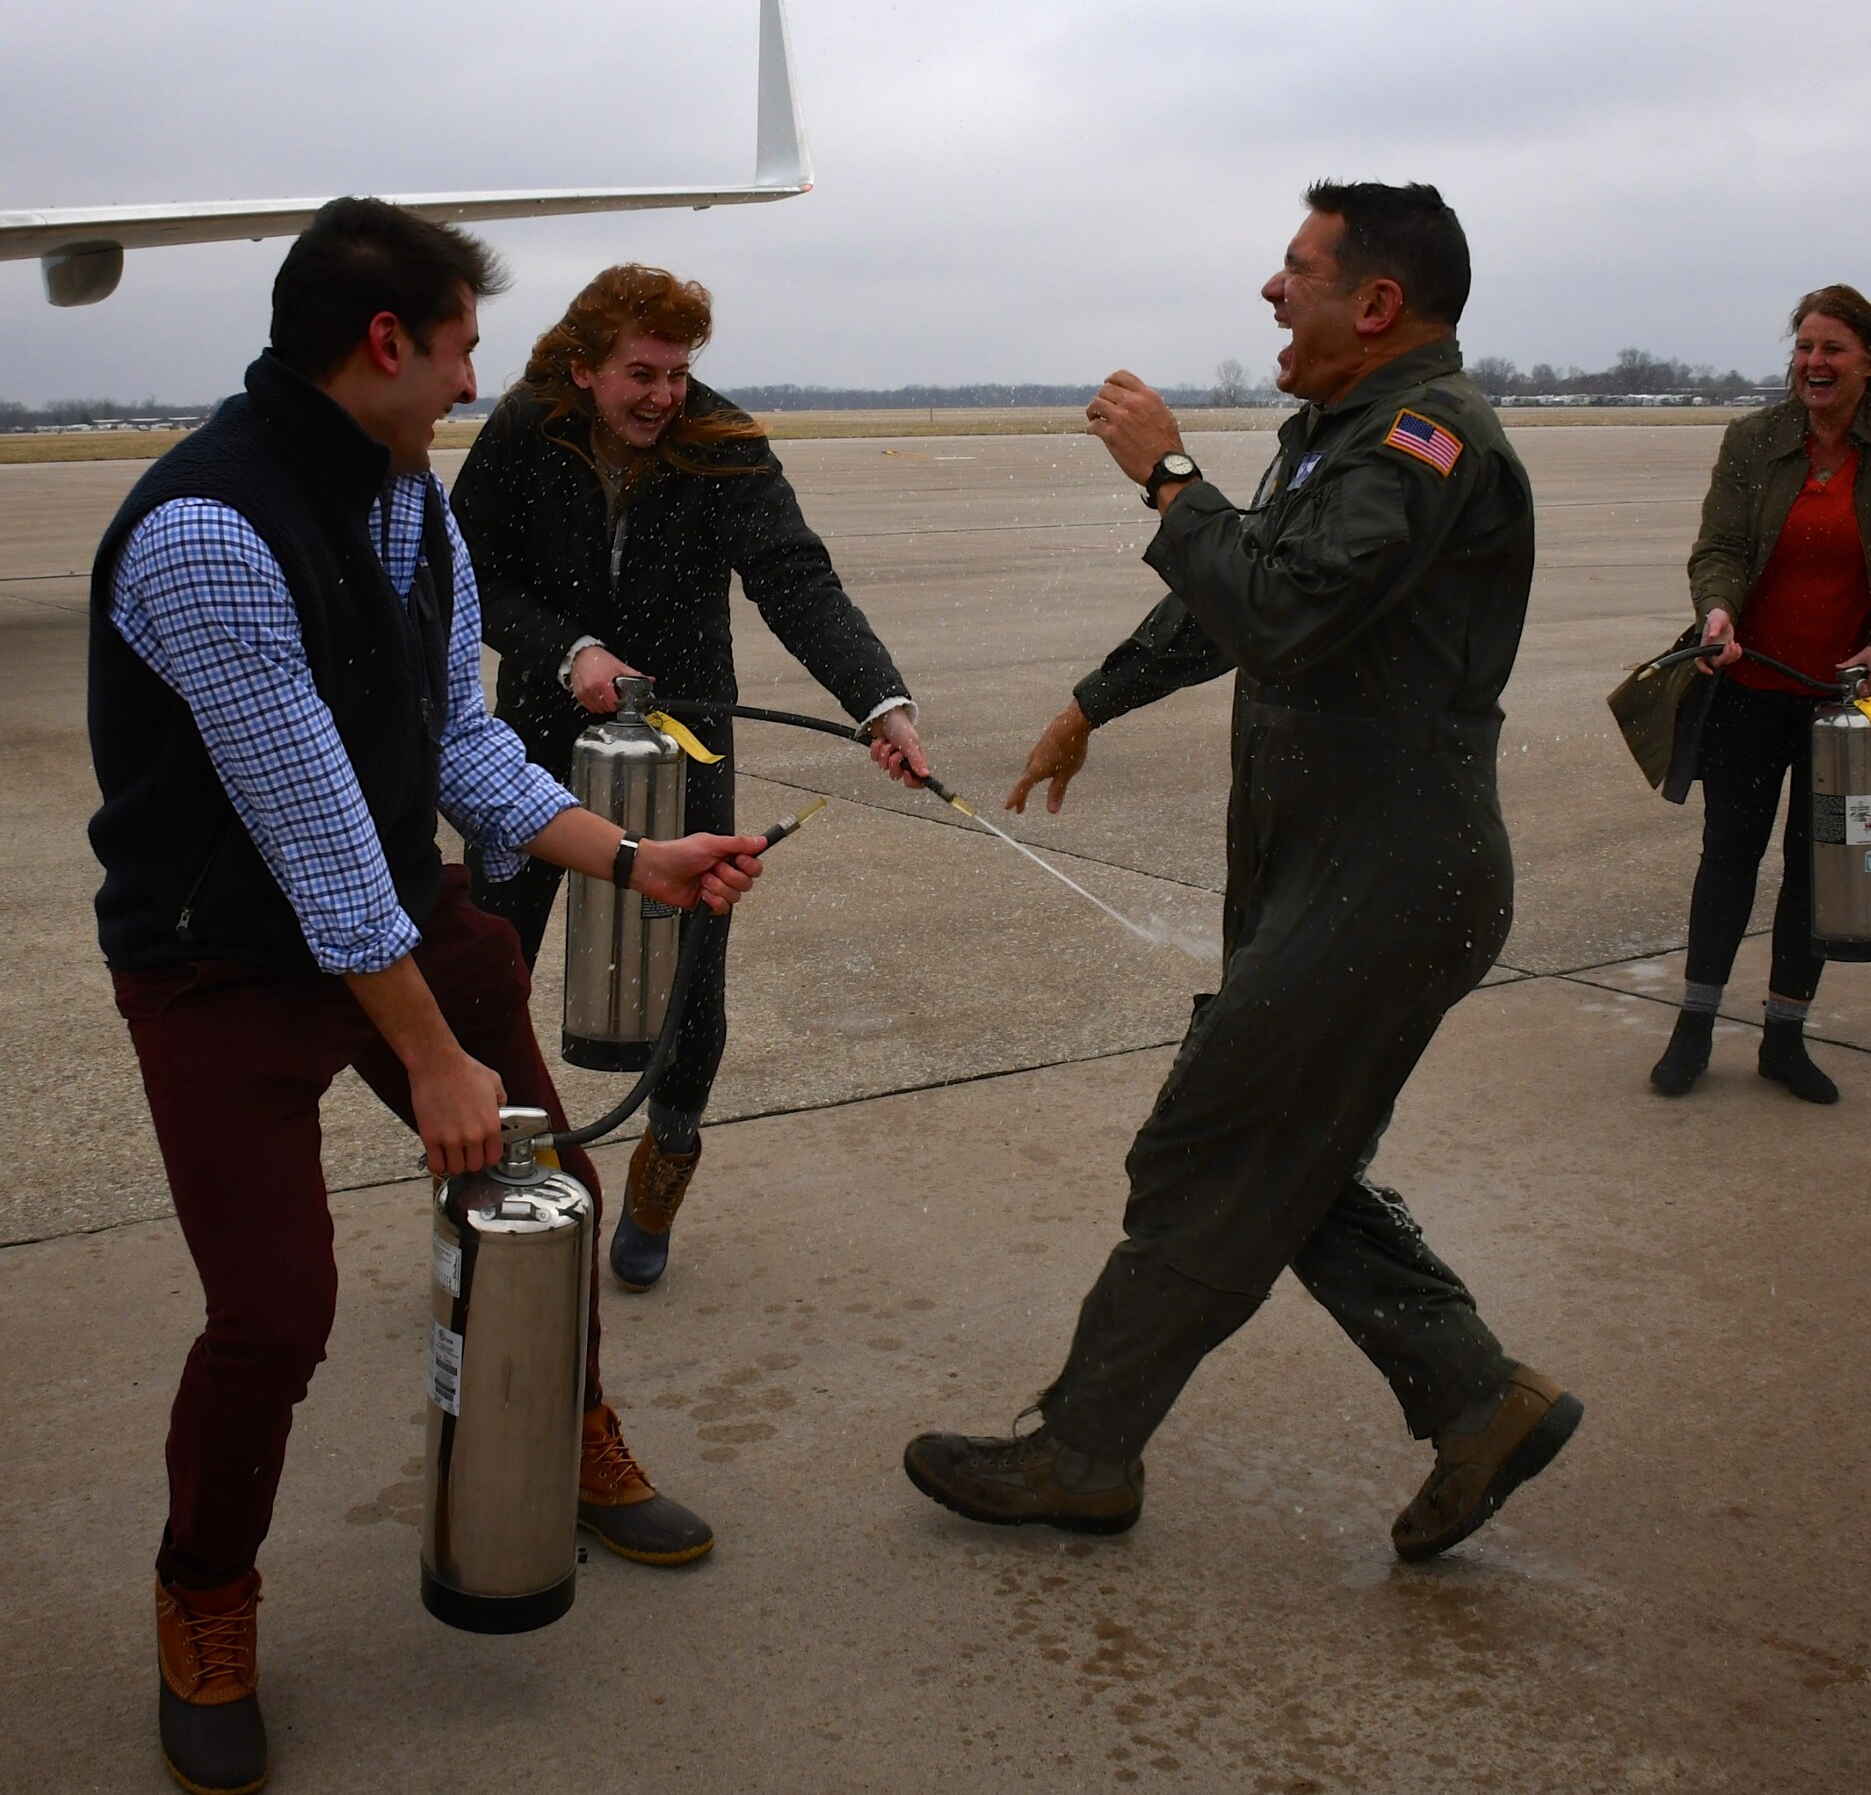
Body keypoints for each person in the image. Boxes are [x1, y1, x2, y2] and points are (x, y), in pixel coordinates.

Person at [87, 199, 767, 1795]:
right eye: (461, 347)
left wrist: (623, 858)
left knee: (561, 1187)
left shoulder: (407, 502)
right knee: (275, 1313)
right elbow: (315, 834)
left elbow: (447, 746)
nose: (474, 380)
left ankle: (570, 1435)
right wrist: (441, 1063)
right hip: (221, 962)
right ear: (385, 342)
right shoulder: (207, 531)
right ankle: (206, 1592)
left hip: (398, 909)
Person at [903, 182, 1580, 1559]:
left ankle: (1087, 1450)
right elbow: (1244, 588)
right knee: (1278, 1156)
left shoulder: (1422, 441)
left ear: (1375, 305)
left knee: (1208, 1146)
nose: (1272, 293)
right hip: (1336, 870)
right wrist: (1097, 698)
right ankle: (1475, 1397)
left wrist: (1164, 473)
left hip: (1391, 877)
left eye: (1297, 270)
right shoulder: (1343, 437)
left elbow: (1278, 605)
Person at [451, 264, 926, 1294]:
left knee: (691, 978)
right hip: (535, 736)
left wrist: (878, 704)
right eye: (639, 373)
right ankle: (481, 1175)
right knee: (486, 960)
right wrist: (564, 646)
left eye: (676, 372)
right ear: (582, 369)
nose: (663, 396)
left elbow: (795, 578)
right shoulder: (526, 430)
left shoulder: (721, 445)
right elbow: (467, 570)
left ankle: (665, 1160)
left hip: (685, 739)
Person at [1649, 286, 1871, 1104]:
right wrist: (1716, 609)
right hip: (1749, 688)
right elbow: (1715, 546)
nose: (1813, 364)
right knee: (1729, 855)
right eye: (1804, 348)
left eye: (1832, 350)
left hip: (1848, 706)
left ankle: (1784, 1037)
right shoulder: (1754, 439)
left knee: (1819, 871)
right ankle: (1693, 1027)